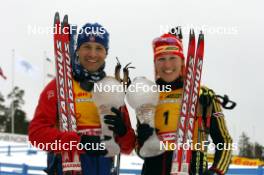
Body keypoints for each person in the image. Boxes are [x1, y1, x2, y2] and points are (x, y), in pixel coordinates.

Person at [29, 23, 135, 175]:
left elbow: (128, 146)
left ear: (106, 52)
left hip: (104, 167)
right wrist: (79, 142)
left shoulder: (113, 87)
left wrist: (123, 131)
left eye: (99, 48)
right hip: (67, 166)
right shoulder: (60, 85)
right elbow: (36, 135)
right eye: (86, 46)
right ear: (77, 50)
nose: (92, 54)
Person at [135, 33, 233, 175]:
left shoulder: (202, 95)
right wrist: (143, 142)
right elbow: (139, 151)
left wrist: (217, 171)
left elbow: (224, 142)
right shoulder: (146, 97)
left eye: (172, 58)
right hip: (153, 168)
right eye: (161, 59)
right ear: (155, 63)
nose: (167, 65)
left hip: (191, 167)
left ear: (182, 61)